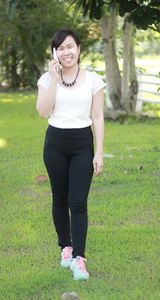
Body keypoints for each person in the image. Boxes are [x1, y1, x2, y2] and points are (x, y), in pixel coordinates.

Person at [36, 29, 105, 280]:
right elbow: (43, 112)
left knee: (78, 202)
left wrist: (98, 152)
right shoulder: (47, 79)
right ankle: (65, 246)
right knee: (60, 200)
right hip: (55, 144)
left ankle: (79, 258)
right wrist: (54, 79)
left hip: (82, 145)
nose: (66, 52)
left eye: (70, 46)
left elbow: (97, 117)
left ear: (79, 49)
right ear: (55, 52)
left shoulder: (94, 80)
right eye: (61, 48)